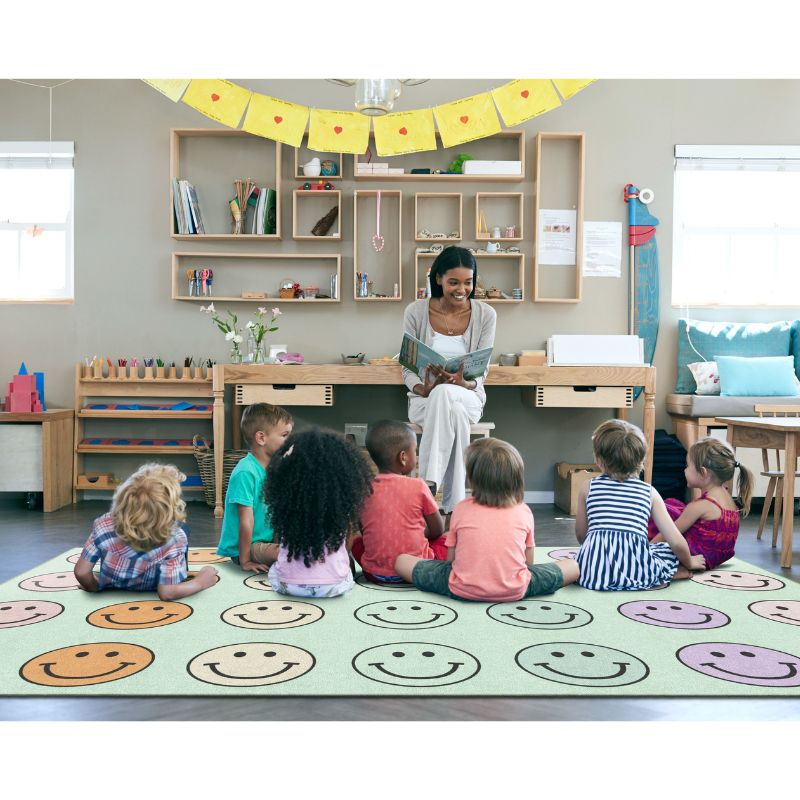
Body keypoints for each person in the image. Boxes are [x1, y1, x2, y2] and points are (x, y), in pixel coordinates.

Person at [395, 438, 579, 601]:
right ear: (516, 479)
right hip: (515, 589)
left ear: (472, 479)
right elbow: (528, 564)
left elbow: (451, 560)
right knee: (573, 566)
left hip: (460, 587)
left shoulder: (461, 508)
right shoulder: (524, 511)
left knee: (401, 561)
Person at [402, 245, 496, 515]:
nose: (461, 289)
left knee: (448, 397)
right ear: (439, 278)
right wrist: (423, 387)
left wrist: (464, 383)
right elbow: (407, 368)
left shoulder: (486, 315)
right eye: (453, 282)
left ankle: (427, 488)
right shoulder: (416, 312)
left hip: (469, 397)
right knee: (448, 405)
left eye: (468, 282)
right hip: (425, 400)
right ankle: (454, 507)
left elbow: (482, 370)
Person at [575, 420, 706, 591]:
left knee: (578, 560)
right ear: (641, 459)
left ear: (599, 460)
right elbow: (676, 541)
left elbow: (581, 534)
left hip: (593, 573)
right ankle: (668, 574)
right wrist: (690, 561)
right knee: (664, 550)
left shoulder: (588, 487)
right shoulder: (649, 492)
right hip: (638, 570)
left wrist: (597, 548)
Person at [73, 463, 218, 600]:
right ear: (167, 510)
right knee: (183, 528)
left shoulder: (103, 524)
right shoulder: (175, 538)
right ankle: (177, 573)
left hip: (115, 584)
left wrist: (93, 586)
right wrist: (201, 581)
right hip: (154, 587)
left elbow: (81, 572)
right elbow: (167, 593)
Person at [264, 428, 373, 598]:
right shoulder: (339, 508)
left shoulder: (287, 506)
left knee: (275, 570)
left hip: (290, 585)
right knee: (345, 563)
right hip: (333, 586)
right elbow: (347, 548)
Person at [353, 419, 446, 584]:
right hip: (417, 570)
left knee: (356, 541)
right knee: (446, 540)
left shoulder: (363, 489)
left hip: (373, 573)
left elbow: (364, 531)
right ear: (403, 457)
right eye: (414, 451)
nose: (415, 456)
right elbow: (438, 530)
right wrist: (418, 534)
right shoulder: (418, 486)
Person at [647, 437, 753, 569]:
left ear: (703, 472)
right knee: (673, 505)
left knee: (663, 512)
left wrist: (647, 551)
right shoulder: (727, 497)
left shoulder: (701, 506)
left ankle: (677, 569)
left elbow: (667, 534)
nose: (684, 470)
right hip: (718, 556)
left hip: (698, 557)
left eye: (688, 466)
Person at [216, 403, 293, 572]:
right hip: (247, 547)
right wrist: (245, 561)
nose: (290, 441)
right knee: (291, 554)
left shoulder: (275, 467)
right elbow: (246, 521)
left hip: (268, 539)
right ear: (261, 438)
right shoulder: (245, 472)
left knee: (304, 545)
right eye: (284, 435)